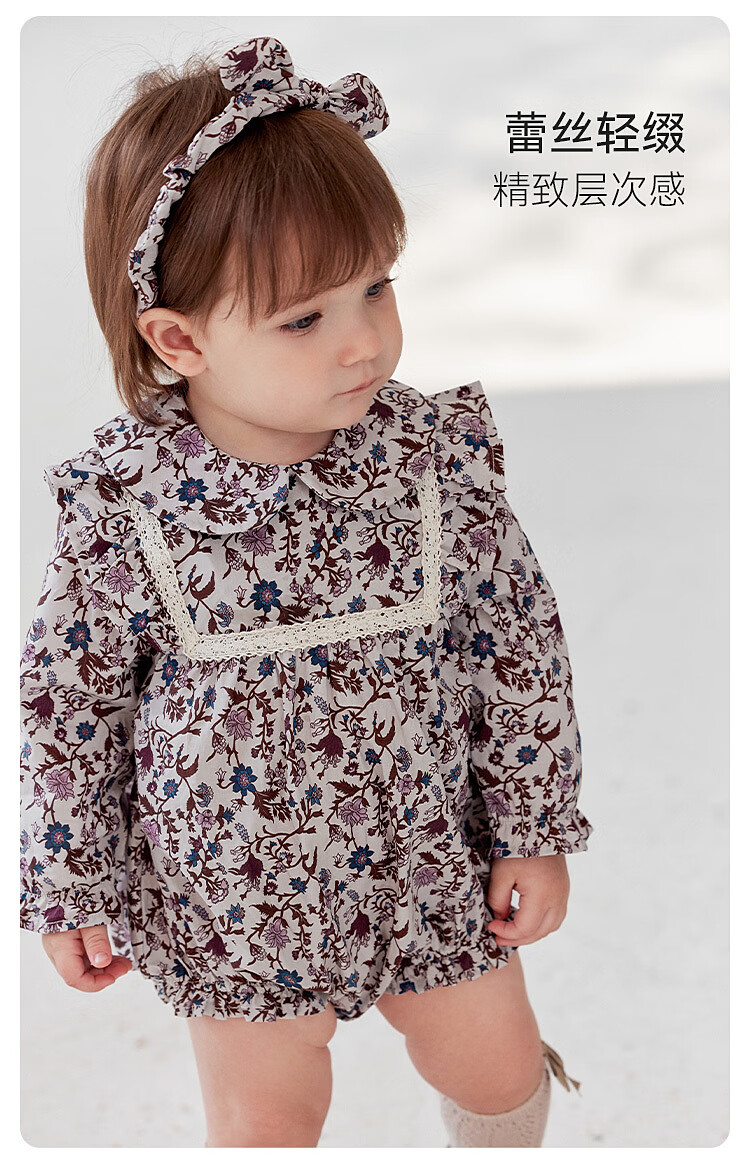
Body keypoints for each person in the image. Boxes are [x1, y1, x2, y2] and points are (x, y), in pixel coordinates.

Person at [20, 36, 593, 1148]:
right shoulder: (129, 511)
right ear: (179, 338)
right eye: (304, 319)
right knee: (266, 1120)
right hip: (235, 898)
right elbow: (68, 705)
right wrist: (72, 879)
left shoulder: (427, 466)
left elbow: (515, 642)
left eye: (376, 286)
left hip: (430, 859)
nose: (364, 340)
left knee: (495, 1064)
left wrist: (532, 825)